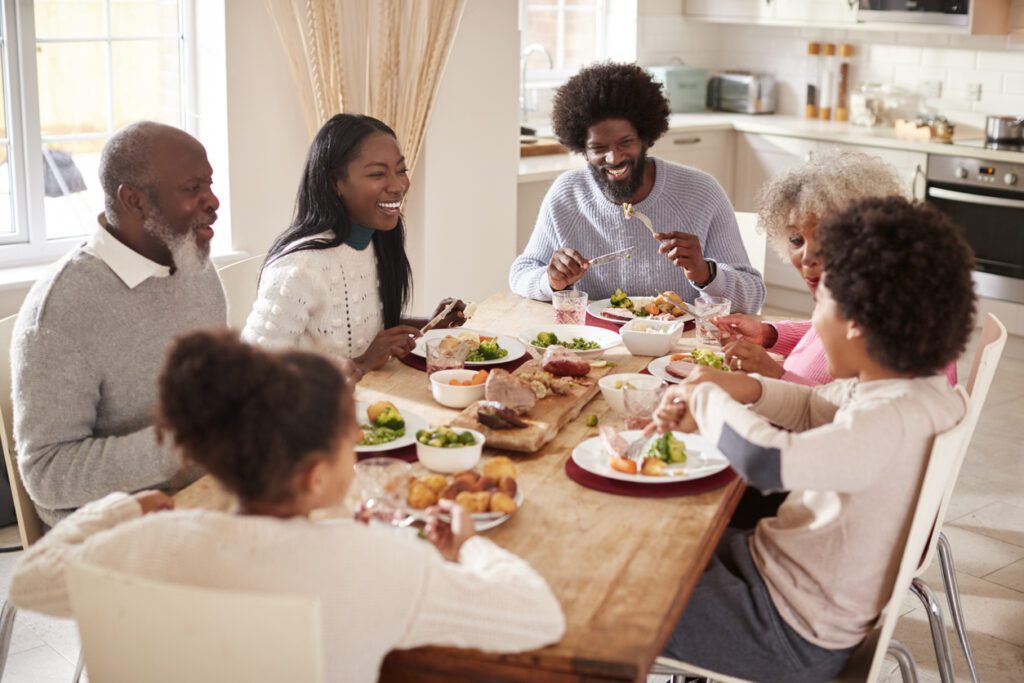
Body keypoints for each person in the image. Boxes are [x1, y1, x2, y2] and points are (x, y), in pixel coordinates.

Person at [9, 331, 566, 682]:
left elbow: (28, 582)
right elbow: (537, 616)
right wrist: (470, 546)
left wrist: (125, 509)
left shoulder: (141, 546)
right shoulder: (382, 566)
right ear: (317, 474)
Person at [648, 197, 975, 682]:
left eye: (821, 301)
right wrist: (737, 386)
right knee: (656, 544)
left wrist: (705, 404)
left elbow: (765, 460)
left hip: (784, 633)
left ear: (857, 321)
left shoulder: (891, 418)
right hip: (777, 582)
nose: (813, 321)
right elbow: (810, 406)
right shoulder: (910, 388)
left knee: (609, 594)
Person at [11, 121, 226, 526]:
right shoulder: (61, 314)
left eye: (210, 184)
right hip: (120, 533)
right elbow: (46, 474)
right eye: (193, 188)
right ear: (135, 201)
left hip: (207, 493)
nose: (213, 200)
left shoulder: (192, 262)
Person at [509, 62, 765, 313]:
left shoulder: (701, 192)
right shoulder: (568, 194)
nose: (614, 158)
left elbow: (752, 295)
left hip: (680, 348)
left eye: (625, 143)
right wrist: (551, 281)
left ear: (645, 138)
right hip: (596, 346)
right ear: (583, 150)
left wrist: (706, 273)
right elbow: (521, 274)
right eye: (598, 148)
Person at [243, 114, 465, 377]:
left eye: (401, 170)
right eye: (377, 174)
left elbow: (364, 328)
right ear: (335, 182)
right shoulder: (298, 269)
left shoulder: (379, 238)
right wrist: (361, 363)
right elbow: (249, 375)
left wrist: (431, 324)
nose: (398, 185)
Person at [715, 149, 958, 387]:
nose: (808, 257)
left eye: (827, 239)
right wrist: (768, 335)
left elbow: (854, 419)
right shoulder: (865, 301)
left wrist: (774, 374)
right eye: (796, 240)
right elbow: (827, 337)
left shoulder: (904, 322)